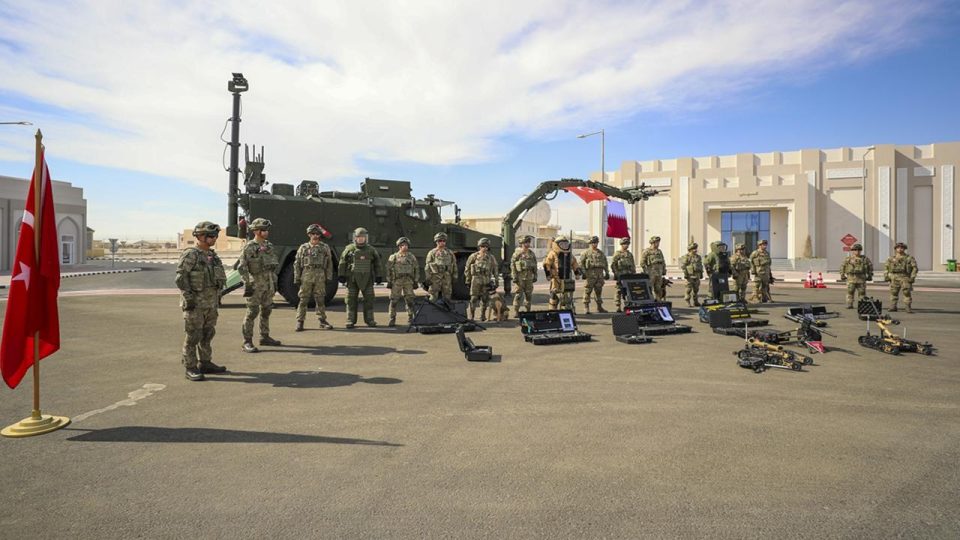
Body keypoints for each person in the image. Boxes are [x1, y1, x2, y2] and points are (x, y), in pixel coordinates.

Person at [175, 221, 227, 381]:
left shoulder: (212, 256)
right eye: (211, 235)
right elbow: (181, 278)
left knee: (207, 334)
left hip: (210, 304)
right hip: (195, 304)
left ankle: (205, 362)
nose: (214, 238)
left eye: (216, 235)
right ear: (201, 236)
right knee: (193, 336)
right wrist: (188, 298)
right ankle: (190, 367)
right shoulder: (191, 254)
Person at [238, 217, 281, 353]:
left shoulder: (268, 246)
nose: (266, 232)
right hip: (255, 284)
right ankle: (247, 341)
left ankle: (265, 336)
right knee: (252, 312)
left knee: (266, 310)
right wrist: (248, 283)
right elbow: (242, 267)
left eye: (267, 230)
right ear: (256, 231)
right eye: (263, 230)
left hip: (268, 284)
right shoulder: (250, 247)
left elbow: (272, 265)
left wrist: (274, 282)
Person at [338, 227, 383, 328]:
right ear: (355, 238)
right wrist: (341, 275)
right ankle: (350, 320)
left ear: (366, 238)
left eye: (363, 237)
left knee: (369, 299)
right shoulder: (349, 249)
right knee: (350, 300)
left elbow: (377, 263)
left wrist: (379, 275)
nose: (361, 239)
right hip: (352, 279)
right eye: (359, 237)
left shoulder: (371, 250)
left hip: (367, 279)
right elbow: (342, 262)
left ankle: (370, 320)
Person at [294, 223, 334, 331]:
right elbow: (297, 263)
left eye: (317, 234)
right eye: (313, 234)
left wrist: (328, 276)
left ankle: (322, 320)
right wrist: (297, 277)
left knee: (320, 299)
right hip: (306, 274)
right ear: (309, 234)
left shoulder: (324, 247)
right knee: (303, 299)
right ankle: (300, 321)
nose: (315, 236)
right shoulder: (303, 248)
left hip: (320, 274)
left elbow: (329, 263)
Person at [386, 237, 421, 326]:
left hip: (408, 281)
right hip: (397, 281)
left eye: (406, 245)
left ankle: (410, 318)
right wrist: (389, 281)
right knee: (394, 300)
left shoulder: (411, 257)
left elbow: (416, 269)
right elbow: (388, 269)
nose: (404, 247)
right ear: (399, 246)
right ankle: (392, 318)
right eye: (402, 245)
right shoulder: (393, 257)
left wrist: (416, 281)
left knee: (410, 300)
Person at [464, 238, 499, 321]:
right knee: (473, 298)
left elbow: (495, 269)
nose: (484, 248)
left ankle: (482, 315)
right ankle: (471, 316)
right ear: (479, 247)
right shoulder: (473, 256)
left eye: (486, 246)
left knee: (484, 299)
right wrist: (468, 280)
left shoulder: (491, 257)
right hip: (475, 280)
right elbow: (467, 268)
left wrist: (496, 281)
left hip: (486, 280)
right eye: (483, 246)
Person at [543, 235, 580, 310]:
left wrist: (577, 273)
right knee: (553, 293)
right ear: (557, 245)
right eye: (562, 244)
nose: (564, 246)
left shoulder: (569, 255)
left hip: (566, 278)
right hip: (556, 278)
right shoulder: (553, 253)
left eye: (566, 244)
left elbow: (574, 264)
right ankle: (552, 309)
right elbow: (547, 264)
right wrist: (548, 274)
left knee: (566, 295)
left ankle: (565, 309)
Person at [884, 242, 918, 313]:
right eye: (898, 248)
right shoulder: (891, 259)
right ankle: (893, 306)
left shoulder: (909, 258)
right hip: (894, 277)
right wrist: (886, 276)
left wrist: (912, 277)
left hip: (905, 277)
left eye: (902, 248)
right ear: (895, 249)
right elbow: (886, 268)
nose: (900, 249)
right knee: (893, 292)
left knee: (906, 292)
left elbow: (915, 268)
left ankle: (908, 307)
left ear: (904, 249)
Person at [579, 236, 609, 314]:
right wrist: (584, 273)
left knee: (598, 291)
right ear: (590, 243)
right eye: (593, 243)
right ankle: (586, 308)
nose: (594, 244)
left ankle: (599, 307)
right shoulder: (586, 253)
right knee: (587, 291)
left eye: (595, 242)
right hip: (590, 275)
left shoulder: (601, 253)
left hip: (599, 275)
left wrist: (607, 272)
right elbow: (581, 264)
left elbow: (605, 263)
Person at [425, 232, 458, 302]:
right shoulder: (432, 253)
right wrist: (428, 278)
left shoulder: (449, 252)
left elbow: (454, 264)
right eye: (440, 241)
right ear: (436, 242)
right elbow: (427, 266)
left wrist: (455, 276)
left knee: (447, 296)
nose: (442, 242)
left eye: (444, 241)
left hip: (446, 276)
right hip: (435, 277)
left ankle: (447, 311)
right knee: (433, 297)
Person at [510, 235, 538, 318]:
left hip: (529, 277)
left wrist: (535, 275)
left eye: (528, 242)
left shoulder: (531, 254)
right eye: (525, 242)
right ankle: (516, 312)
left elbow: (535, 265)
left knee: (528, 295)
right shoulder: (517, 254)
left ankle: (528, 311)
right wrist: (514, 276)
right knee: (518, 295)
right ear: (521, 243)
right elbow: (512, 266)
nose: (527, 244)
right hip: (519, 278)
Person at [840, 243, 874, 309]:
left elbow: (870, 267)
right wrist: (842, 274)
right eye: (855, 250)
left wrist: (870, 275)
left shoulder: (865, 259)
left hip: (861, 278)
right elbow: (842, 267)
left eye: (858, 250)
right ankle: (850, 304)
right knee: (850, 292)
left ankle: (862, 305)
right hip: (851, 278)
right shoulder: (848, 259)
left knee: (862, 293)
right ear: (852, 251)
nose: (857, 251)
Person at [610, 237, 636, 311]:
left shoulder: (630, 254)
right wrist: (616, 273)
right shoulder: (617, 254)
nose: (626, 245)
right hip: (621, 275)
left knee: (628, 291)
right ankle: (618, 306)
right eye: (624, 244)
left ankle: (628, 306)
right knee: (619, 290)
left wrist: (634, 273)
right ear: (621, 244)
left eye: (627, 244)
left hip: (629, 275)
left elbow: (633, 265)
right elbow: (613, 265)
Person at [641, 236, 667, 301]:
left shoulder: (659, 251)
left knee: (658, 287)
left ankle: (658, 300)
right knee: (649, 287)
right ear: (652, 243)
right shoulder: (647, 251)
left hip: (659, 273)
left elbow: (663, 261)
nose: (658, 244)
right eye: (656, 242)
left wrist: (664, 269)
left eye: (658, 242)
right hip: (651, 273)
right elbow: (642, 262)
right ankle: (649, 300)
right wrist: (646, 271)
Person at [679, 242, 704, 307]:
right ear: (690, 249)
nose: (695, 250)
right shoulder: (686, 257)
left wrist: (701, 274)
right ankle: (687, 301)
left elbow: (700, 265)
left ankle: (696, 302)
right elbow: (683, 266)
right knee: (688, 289)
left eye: (696, 248)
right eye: (694, 249)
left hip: (697, 275)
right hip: (690, 276)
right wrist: (686, 274)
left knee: (696, 290)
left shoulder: (698, 257)